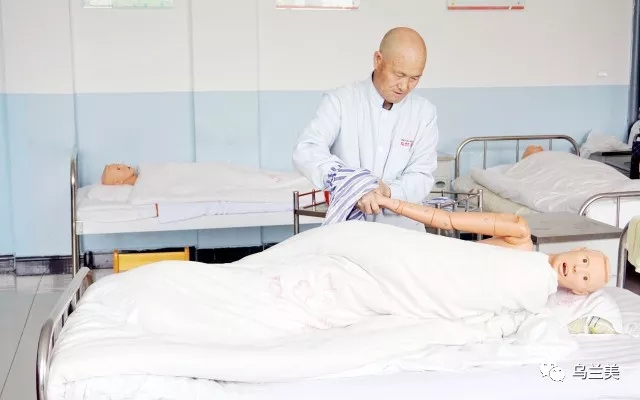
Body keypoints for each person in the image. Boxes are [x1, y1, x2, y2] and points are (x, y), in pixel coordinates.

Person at [292, 27, 439, 232]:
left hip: (404, 231)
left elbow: (422, 175)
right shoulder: (341, 101)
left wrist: (387, 191)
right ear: (378, 60)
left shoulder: (424, 113)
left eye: (414, 78)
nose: (404, 86)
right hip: (348, 231)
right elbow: (307, 149)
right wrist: (353, 184)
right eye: (399, 75)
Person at [373, 192, 610, 295]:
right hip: (419, 263)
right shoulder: (519, 234)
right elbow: (446, 220)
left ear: (579, 292)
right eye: (585, 260)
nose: (578, 268)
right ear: (578, 249)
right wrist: (389, 202)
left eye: (585, 277)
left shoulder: (536, 298)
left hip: (435, 295)